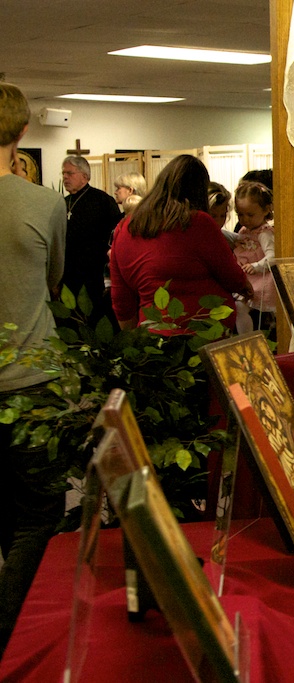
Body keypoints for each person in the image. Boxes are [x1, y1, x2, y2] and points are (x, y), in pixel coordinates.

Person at [0, 83, 67, 657]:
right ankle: (12, 637)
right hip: (32, 382)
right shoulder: (44, 204)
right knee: (39, 514)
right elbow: (53, 282)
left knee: (8, 512)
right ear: (23, 132)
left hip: (28, 383)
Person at [108, 154, 251, 333]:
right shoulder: (198, 222)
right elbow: (231, 275)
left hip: (152, 332)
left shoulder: (125, 228)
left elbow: (121, 296)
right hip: (203, 332)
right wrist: (246, 286)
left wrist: (133, 336)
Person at [60, 155, 120, 321]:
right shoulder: (62, 203)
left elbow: (115, 237)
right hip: (68, 274)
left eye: (70, 173)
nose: (65, 177)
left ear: (84, 176)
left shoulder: (103, 201)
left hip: (94, 274)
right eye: (63, 173)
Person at [228, 180, 276, 336]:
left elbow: (273, 256)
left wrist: (256, 266)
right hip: (249, 277)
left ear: (266, 210)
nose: (245, 219)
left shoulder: (264, 233)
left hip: (261, 279)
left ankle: (252, 337)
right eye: (240, 214)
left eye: (250, 214)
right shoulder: (244, 231)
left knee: (254, 309)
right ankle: (247, 338)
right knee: (239, 307)